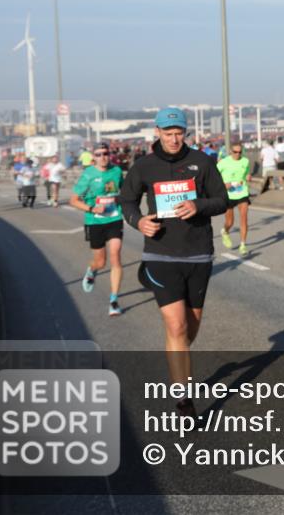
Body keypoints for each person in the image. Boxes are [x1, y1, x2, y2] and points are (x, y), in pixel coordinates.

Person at [118, 107, 228, 417]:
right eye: (168, 133)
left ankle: (177, 352)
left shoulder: (202, 162)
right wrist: (138, 221)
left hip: (198, 254)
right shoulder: (144, 166)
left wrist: (199, 204)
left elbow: (222, 200)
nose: (174, 139)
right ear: (157, 133)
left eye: (179, 133)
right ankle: (184, 400)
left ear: (185, 133)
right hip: (160, 253)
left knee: (188, 330)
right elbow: (126, 200)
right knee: (176, 325)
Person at [70, 143, 125, 317]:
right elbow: (74, 200)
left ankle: (113, 300)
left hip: (114, 218)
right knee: (100, 262)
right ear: (93, 157)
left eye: (105, 153)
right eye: (99, 154)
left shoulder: (116, 171)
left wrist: (120, 199)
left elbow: (123, 190)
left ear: (110, 155)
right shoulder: (88, 175)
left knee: (115, 255)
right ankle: (92, 270)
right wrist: (92, 209)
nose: (103, 157)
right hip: (94, 222)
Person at [218, 142, 252, 255]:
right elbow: (214, 177)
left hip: (242, 192)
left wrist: (248, 176)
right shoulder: (223, 163)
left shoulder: (245, 161)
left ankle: (243, 245)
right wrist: (224, 184)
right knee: (230, 222)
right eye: (235, 152)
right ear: (230, 152)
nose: (237, 154)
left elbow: (246, 173)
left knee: (244, 218)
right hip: (228, 195)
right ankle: (225, 231)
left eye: (240, 152)